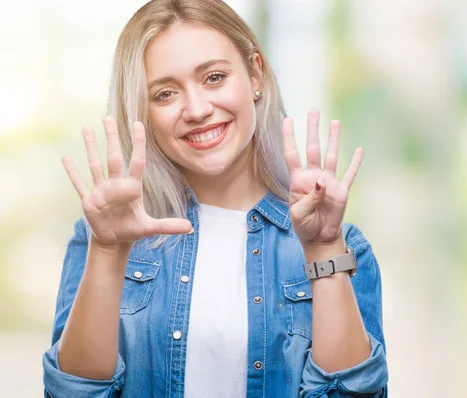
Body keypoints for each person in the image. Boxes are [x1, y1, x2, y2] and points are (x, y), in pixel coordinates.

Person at [42, 0, 388, 396]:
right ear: (143, 110)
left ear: (255, 73)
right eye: (165, 94)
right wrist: (107, 250)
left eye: (214, 77)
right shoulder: (103, 238)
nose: (196, 109)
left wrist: (324, 246)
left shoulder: (344, 247)